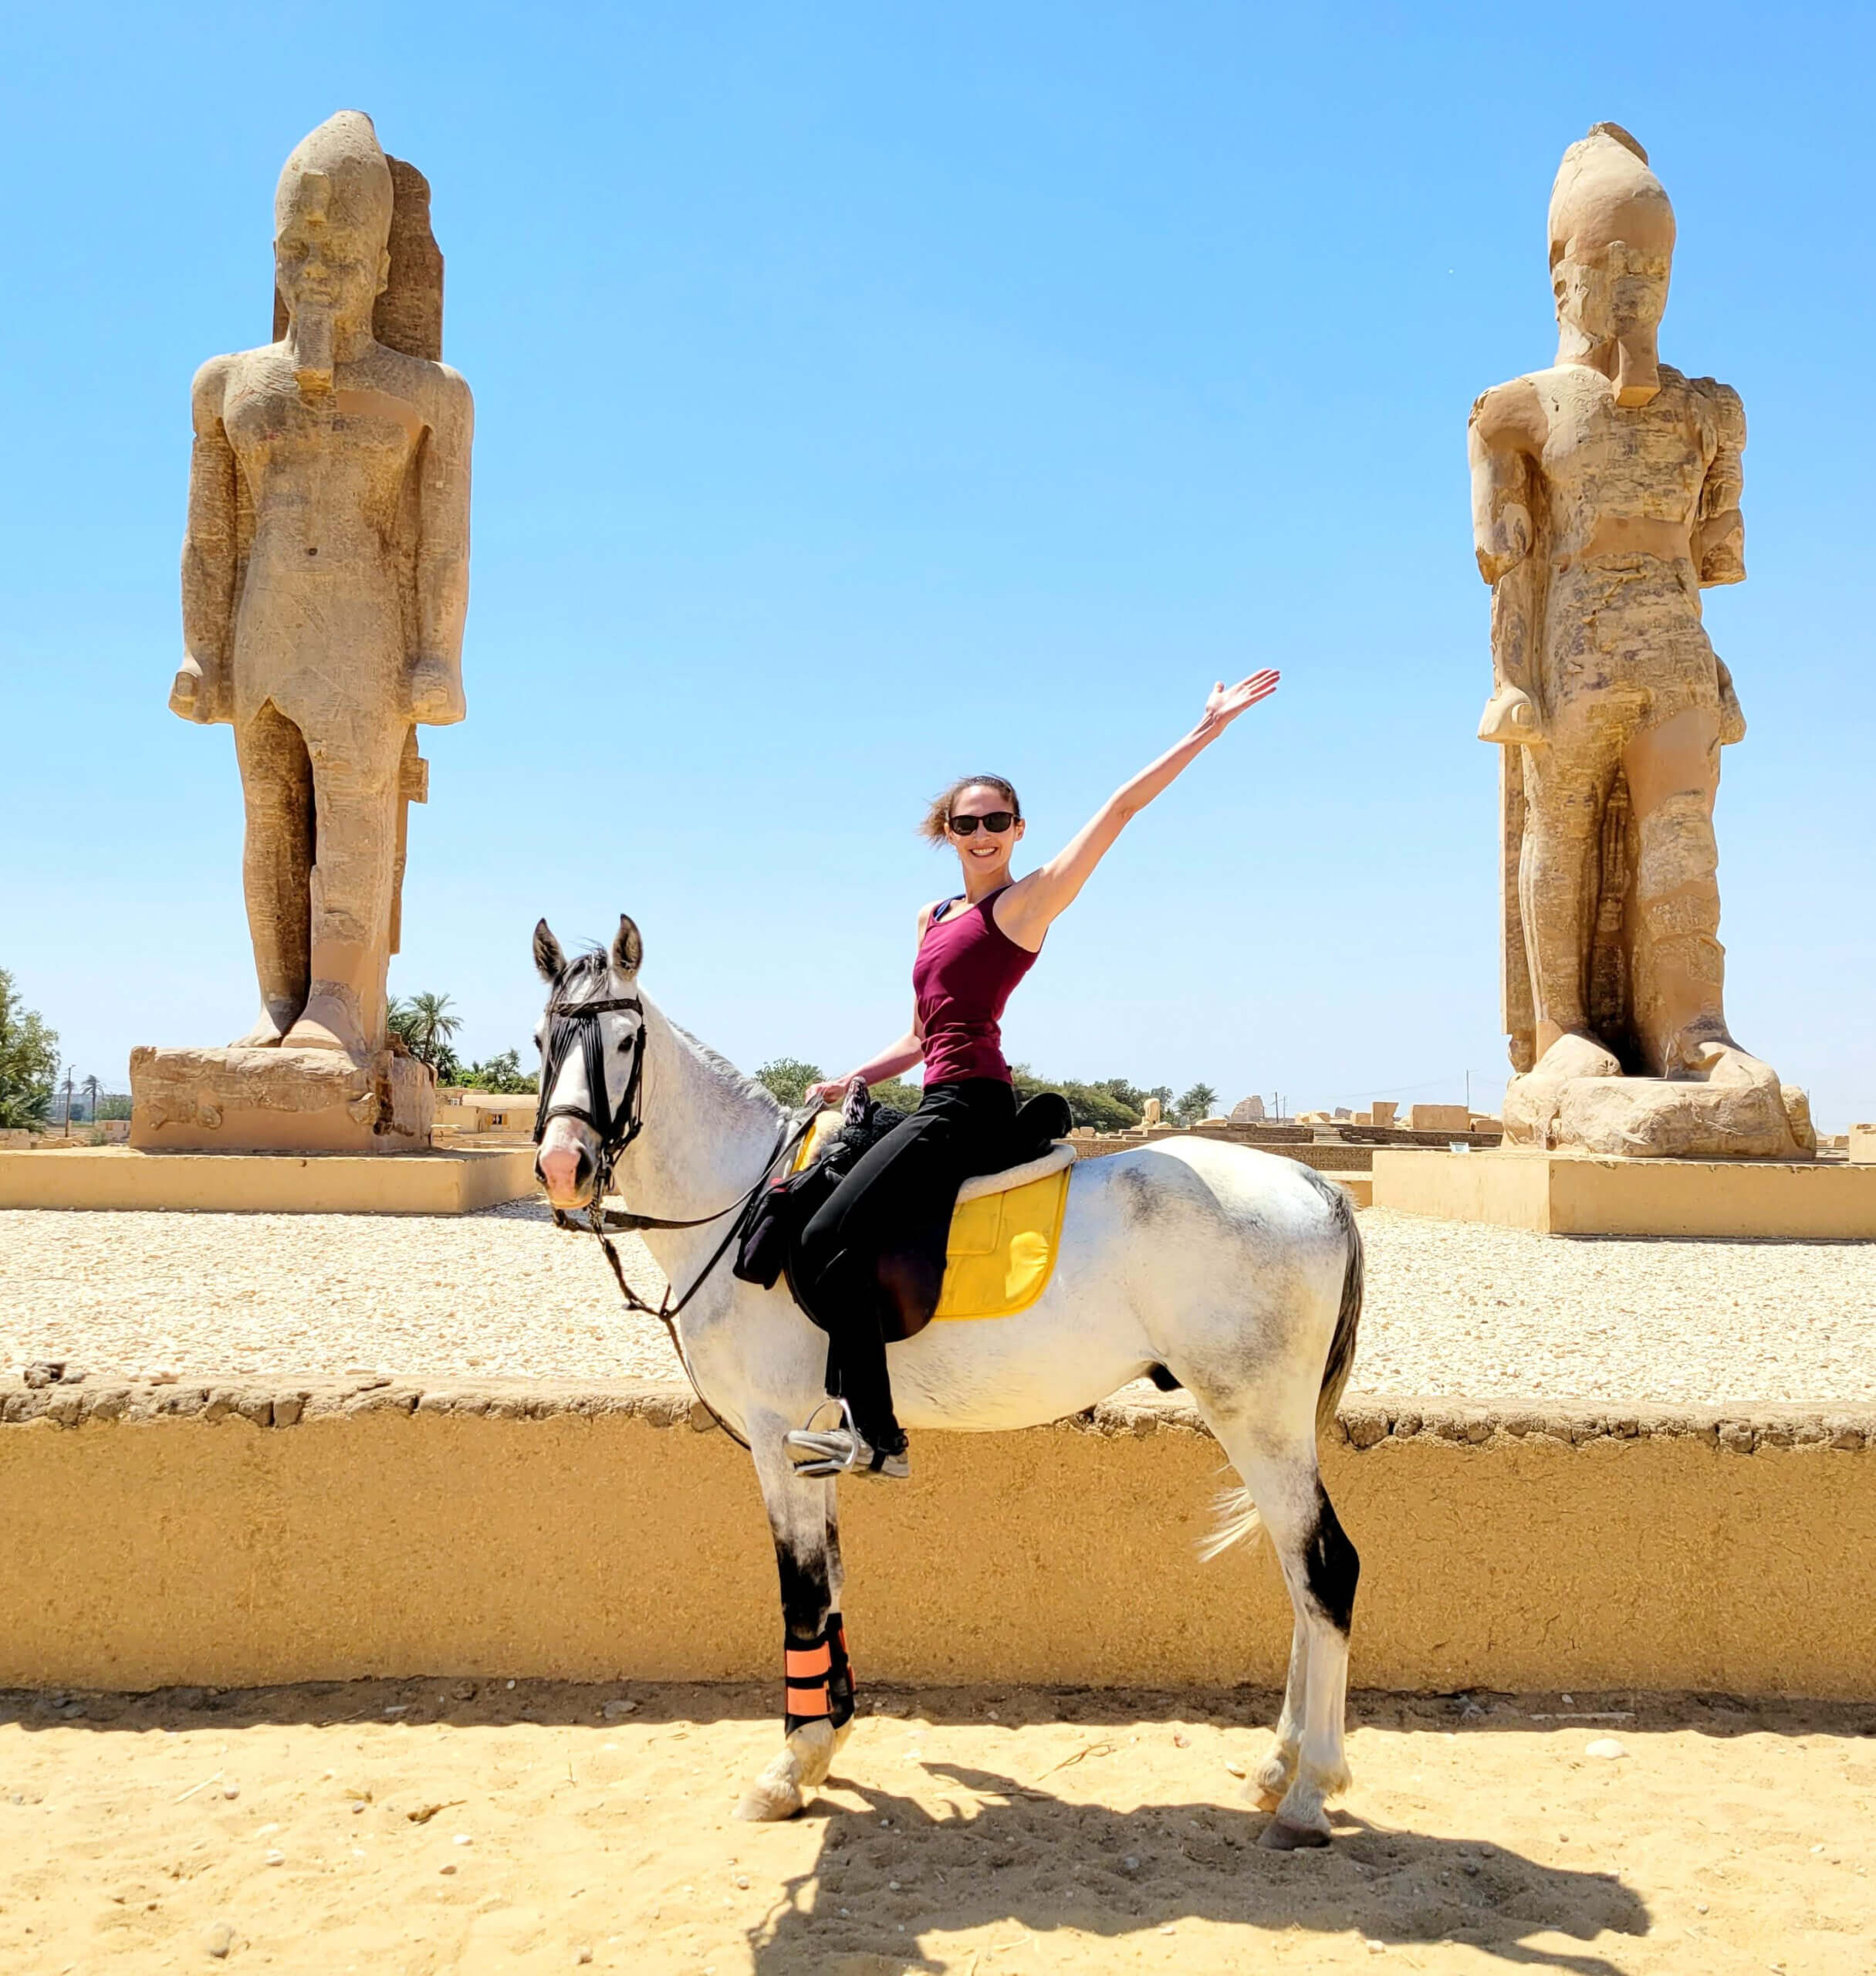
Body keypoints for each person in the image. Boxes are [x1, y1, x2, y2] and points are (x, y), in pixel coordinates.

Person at [784, 669, 1280, 1480]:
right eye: (967, 821)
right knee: (819, 1218)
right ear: (946, 829)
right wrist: (849, 1077)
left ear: (1017, 830)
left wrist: (1206, 730)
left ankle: (876, 1437)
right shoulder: (931, 917)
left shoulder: (1027, 905)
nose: (982, 833)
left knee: (823, 1235)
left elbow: (1120, 808)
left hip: (971, 1107)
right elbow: (918, 1035)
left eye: (997, 821)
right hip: (929, 1095)